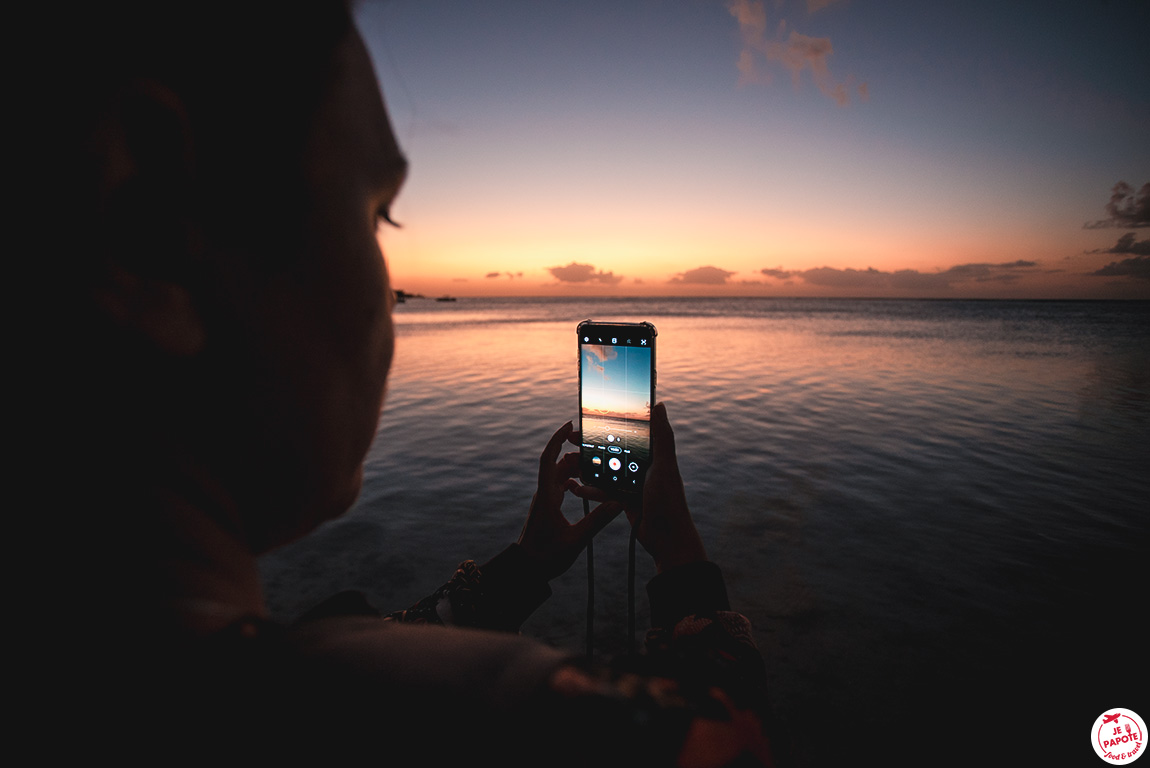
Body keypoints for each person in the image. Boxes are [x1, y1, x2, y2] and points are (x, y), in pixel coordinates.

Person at [38, 1, 778, 764]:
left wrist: (527, 563)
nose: (391, 295)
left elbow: (392, 640)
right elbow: (732, 738)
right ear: (149, 229)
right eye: (378, 216)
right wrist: (683, 558)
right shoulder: (502, 722)